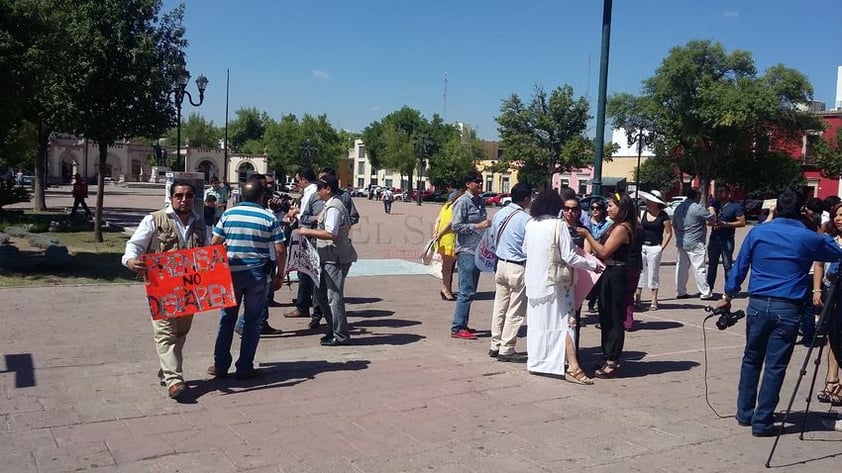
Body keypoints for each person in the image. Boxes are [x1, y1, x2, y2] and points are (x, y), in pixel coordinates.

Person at [716, 189, 842, 437]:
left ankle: (745, 412)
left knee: (751, 358)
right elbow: (836, 252)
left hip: (758, 304)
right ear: (802, 210)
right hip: (788, 307)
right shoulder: (806, 236)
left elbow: (740, 266)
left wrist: (728, 295)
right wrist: (815, 226)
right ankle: (762, 421)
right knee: (775, 365)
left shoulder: (759, 232)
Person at [121, 181, 206, 400]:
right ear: (171, 197)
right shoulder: (154, 219)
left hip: (189, 288)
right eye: (179, 195)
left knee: (181, 332)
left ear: (194, 198)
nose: (183, 199)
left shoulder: (199, 222)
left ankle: (166, 370)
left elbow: (204, 252)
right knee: (165, 332)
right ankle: (174, 380)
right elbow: (134, 245)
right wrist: (130, 260)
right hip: (162, 289)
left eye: (188, 196)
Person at [208, 177, 286, 380]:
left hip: (231, 274)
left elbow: (214, 243)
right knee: (252, 321)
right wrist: (280, 274)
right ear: (261, 197)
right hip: (257, 275)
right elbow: (280, 249)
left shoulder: (228, 214)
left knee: (227, 319)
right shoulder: (268, 218)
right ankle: (244, 366)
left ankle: (220, 364)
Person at [524, 190, 603, 383]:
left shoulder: (531, 224)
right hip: (556, 283)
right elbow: (569, 256)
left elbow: (525, 249)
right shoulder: (558, 226)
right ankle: (573, 366)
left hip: (535, 282)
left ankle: (541, 361)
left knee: (540, 324)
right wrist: (593, 265)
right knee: (566, 323)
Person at [577, 194, 639, 378]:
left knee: (613, 318)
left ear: (622, 207)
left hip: (616, 274)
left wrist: (587, 234)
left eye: (611, 205)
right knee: (605, 316)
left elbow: (604, 250)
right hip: (607, 272)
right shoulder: (614, 226)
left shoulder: (622, 228)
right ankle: (607, 355)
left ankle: (612, 359)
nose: (608, 209)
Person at [297, 175, 358, 346]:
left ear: (328, 189)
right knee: (320, 294)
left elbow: (331, 233)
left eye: (320, 188)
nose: (317, 192)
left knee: (334, 296)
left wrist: (306, 232)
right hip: (328, 257)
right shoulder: (329, 205)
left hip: (335, 258)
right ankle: (333, 329)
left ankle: (340, 334)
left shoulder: (334, 207)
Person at [488, 183, 532, 362]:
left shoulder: (499, 213)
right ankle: (507, 348)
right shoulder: (526, 219)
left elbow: (491, 237)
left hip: (501, 264)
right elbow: (529, 246)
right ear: (526, 198)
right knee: (515, 310)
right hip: (517, 266)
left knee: (499, 306)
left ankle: (495, 343)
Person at [450, 170, 491, 340]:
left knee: (471, 290)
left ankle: (463, 323)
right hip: (466, 251)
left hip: (478, 250)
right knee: (466, 291)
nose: (480, 184)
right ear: (468, 184)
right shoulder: (462, 202)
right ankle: (458, 327)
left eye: (481, 181)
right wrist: (477, 226)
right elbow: (456, 226)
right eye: (477, 181)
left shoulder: (479, 201)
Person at [284, 168, 322, 325]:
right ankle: (304, 305)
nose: (297, 183)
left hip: (310, 236)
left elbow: (312, 216)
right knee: (304, 273)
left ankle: (309, 308)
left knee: (308, 273)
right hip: (306, 234)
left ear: (304, 180)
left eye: (298, 180)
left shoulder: (312, 192)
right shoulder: (308, 192)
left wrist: (298, 214)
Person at [813, 203, 842, 405]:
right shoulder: (828, 238)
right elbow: (819, 265)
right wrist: (816, 290)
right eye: (836, 215)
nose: (839, 218)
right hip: (830, 291)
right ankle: (832, 379)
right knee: (831, 335)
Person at [672, 188, 715, 300]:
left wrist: (678, 238)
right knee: (699, 268)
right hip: (695, 242)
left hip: (682, 241)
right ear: (696, 196)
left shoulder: (679, 207)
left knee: (681, 267)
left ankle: (680, 291)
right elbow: (712, 218)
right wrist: (711, 208)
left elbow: (674, 225)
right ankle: (705, 292)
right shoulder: (697, 208)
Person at [635, 190, 673, 311]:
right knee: (639, 272)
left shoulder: (663, 215)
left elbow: (668, 233)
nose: (648, 202)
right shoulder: (642, 213)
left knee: (653, 273)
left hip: (654, 247)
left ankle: (653, 300)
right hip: (641, 246)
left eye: (650, 201)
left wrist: (662, 247)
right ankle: (637, 298)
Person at [706, 185, 745, 293]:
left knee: (727, 265)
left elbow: (742, 222)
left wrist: (726, 224)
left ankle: (730, 289)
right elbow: (708, 221)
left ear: (728, 193)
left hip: (727, 239)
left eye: (721, 191)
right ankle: (708, 289)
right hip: (714, 238)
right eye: (717, 191)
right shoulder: (715, 205)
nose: (718, 193)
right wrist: (711, 222)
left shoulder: (735, 206)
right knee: (712, 265)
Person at [432, 188, 462, 301]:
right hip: (450, 238)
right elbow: (451, 223)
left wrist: (436, 232)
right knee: (448, 267)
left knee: (447, 266)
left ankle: (447, 288)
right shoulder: (455, 208)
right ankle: (446, 289)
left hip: (443, 239)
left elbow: (438, 220)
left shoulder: (446, 206)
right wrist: (440, 233)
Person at [585, 199, 612, 313]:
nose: (595, 210)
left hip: (600, 255)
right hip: (587, 254)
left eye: (598, 208)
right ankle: (589, 298)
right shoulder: (586, 222)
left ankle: (593, 303)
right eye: (593, 208)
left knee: (598, 281)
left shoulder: (607, 224)